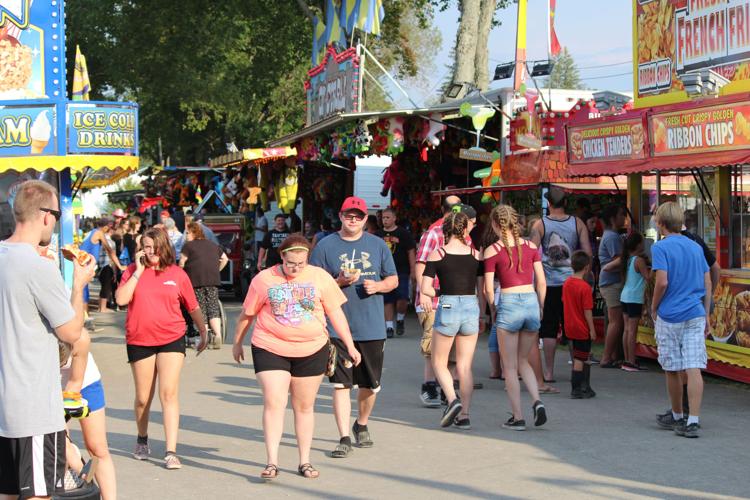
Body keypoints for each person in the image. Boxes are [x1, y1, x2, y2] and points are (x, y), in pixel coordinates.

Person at [232, 235, 361, 479]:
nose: (296, 268)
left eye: (301, 264)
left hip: (311, 348)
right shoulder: (264, 279)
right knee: (274, 401)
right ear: (282, 257)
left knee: (303, 407)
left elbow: (336, 314)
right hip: (270, 346)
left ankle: (304, 461)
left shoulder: (320, 277)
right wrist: (238, 342)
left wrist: (350, 346)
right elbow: (247, 315)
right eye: (291, 263)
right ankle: (272, 462)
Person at [0, 180, 96, 499]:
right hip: (33, 409)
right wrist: (79, 284)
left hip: (4, 407)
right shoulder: (37, 267)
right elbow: (71, 333)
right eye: (55, 213)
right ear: (44, 215)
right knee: (37, 495)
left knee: (9, 493)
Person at [310, 196, 398, 458]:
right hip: (337, 327)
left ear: (364, 219)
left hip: (371, 326)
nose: (353, 220)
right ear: (340, 216)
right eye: (349, 215)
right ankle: (343, 437)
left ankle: (361, 423)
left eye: (358, 216)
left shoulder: (378, 245)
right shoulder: (325, 246)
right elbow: (313, 283)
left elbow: (393, 279)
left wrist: (378, 286)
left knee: (370, 385)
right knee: (341, 385)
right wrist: (337, 281)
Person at [115, 228, 209, 469]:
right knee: (143, 398)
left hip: (171, 338)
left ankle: (170, 451)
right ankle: (142, 439)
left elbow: (193, 305)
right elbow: (121, 300)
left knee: (168, 393)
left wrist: (204, 330)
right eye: (146, 246)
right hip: (139, 339)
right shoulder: (131, 272)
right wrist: (138, 271)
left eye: (155, 246)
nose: (151, 251)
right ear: (140, 248)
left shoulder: (177, 274)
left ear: (164, 246)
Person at [484, 204, 548, 430]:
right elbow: (541, 281)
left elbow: (489, 288)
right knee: (524, 361)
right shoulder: (531, 247)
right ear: (516, 223)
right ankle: (537, 401)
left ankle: (518, 416)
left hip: (509, 302)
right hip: (531, 301)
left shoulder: (493, 250)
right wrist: (540, 306)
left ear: (494, 224)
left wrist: (493, 309)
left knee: (509, 366)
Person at [650, 202, 710, 438]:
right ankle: (693, 420)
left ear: (661, 223)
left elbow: (662, 282)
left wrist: (654, 307)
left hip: (670, 315)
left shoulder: (661, 248)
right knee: (694, 366)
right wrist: (706, 313)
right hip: (695, 313)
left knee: (672, 367)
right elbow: (707, 282)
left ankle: (676, 415)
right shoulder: (695, 247)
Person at [421, 211, 483, 429]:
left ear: (445, 230)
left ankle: (452, 399)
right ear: (465, 230)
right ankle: (464, 415)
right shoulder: (476, 255)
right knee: (465, 366)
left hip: (447, 303)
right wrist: (482, 312)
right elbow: (481, 288)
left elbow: (425, 288)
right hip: (470, 305)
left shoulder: (438, 254)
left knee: (439, 361)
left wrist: (440, 294)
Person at [530, 187, 591, 384]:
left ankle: (548, 372)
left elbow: (532, 252)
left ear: (548, 204)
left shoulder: (541, 224)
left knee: (548, 327)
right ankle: (577, 370)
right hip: (572, 283)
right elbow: (587, 253)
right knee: (573, 328)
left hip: (548, 284)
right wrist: (583, 276)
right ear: (565, 203)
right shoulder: (577, 223)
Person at [415, 195, 462, 407]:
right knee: (432, 345)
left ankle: (447, 389)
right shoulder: (433, 233)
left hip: (454, 298)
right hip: (432, 300)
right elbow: (421, 263)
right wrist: (424, 292)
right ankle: (429, 387)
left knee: (451, 346)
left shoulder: (463, 235)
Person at [60, 332, 116, 499]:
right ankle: (78, 482)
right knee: (60, 449)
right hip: (46, 385)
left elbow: (75, 383)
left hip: (84, 382)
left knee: (97, 448)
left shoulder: (78, 336)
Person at [180, 222, 229, 349]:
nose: (186, 236)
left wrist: (180, 273)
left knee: (200, 308)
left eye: (187, 233)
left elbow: (181, 262)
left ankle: (205, 336)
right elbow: (225, 259)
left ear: (194, 233)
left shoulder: (188, 246)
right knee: (213, 307)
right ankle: (217, 334)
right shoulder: (213, 245)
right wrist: (217, 270)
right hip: (212, 280)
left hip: (195, 281)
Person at [376, 207, 416, 338]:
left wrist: (413, 269)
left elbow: (411, 251)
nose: (385, 220)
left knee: (402, 299)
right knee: (387, 300)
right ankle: (389, 327)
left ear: (394, 218)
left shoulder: (403, 233)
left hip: (402, 271)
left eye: (388, 217)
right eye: (383, 218)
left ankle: (400, 319)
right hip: (384, 273)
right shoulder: (377, 235)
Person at [563, 251, 598, 398]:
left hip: (569, 325)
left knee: (578, 354)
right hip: (581, 327)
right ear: (587, 267)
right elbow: (587, 311)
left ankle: (583, 387)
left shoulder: (566, 284)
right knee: (581, 358)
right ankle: (577, 389)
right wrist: (592, 329)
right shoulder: (584, 287)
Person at [598, 205, 627, 368]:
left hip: (610, 281)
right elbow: (618, 260)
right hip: (611, 282)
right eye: (621, 214)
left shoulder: (611, 235)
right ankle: (606, 357)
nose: (624, 218)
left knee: (615, 321)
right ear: (612, 219)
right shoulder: (612, 237)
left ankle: (614, 355)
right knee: (615, 321)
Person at [617, 232, 650, 372]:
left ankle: (627, 359)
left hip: (625, 296)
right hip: (635, 298)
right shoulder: (639, 260)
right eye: (642, 242)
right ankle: (631, 360)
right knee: (632, 330)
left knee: (626, 329)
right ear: (638, 245)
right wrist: (654, 269)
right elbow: (647, 277)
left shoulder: (628, 259)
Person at [79, 218, 126, 313]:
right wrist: (120, 266)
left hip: (84, 264)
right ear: (105, 227)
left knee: (84, 289)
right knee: (84, 291)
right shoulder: (99, 233)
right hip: (85, 265)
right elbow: (110, 250)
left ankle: (84, 315)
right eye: (108, 228)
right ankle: (84, 317)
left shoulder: (91, 232)